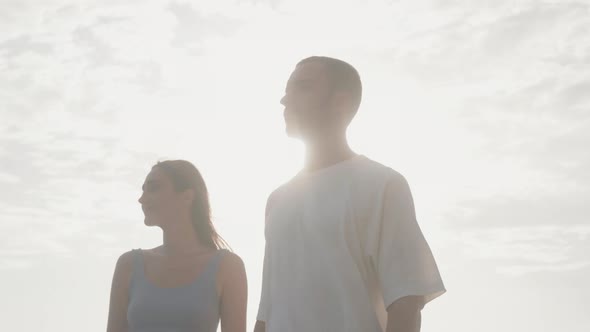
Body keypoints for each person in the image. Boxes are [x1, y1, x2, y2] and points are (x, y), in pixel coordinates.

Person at [254, 56, 445, 332]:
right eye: (287, 89)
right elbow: (267, 312)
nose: (285, 99)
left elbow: (406, 301)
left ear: (340, 103)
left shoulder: (383, 185)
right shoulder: (277, 200)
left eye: (302, 87)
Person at [107, 160, 247, 332]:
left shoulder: (227, 266)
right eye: (143, 190)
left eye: (154, 188)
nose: (141, 199)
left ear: (187, 196)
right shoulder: (128, 264)